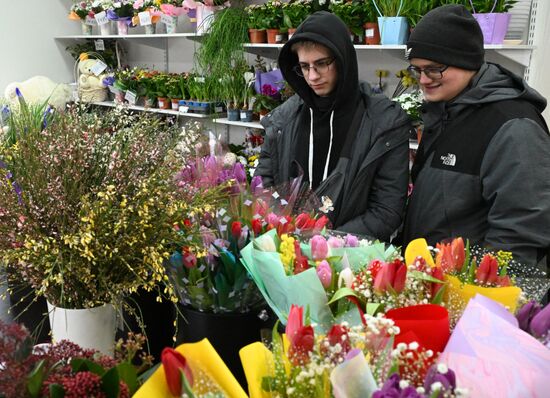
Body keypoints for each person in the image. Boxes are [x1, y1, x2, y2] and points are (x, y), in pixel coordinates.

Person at [402, 4, 550, 269]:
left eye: (434, 68)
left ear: (466, 61)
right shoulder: (445, 111)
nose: (423, 79)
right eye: (417, 69)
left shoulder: (513, 126)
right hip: (436, 284)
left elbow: (520, 237)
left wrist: (482, 298)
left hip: (472, 295)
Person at [254, 11, 412, 241]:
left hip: (351, 261)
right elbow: (264, 183)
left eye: (321, 64)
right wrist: (284, 233)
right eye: (304, 67)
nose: (312, 76)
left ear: (342, 60)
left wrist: (329, 243)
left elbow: (387, 209)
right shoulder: (283, 119)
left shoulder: (383, 123)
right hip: (288, 253)